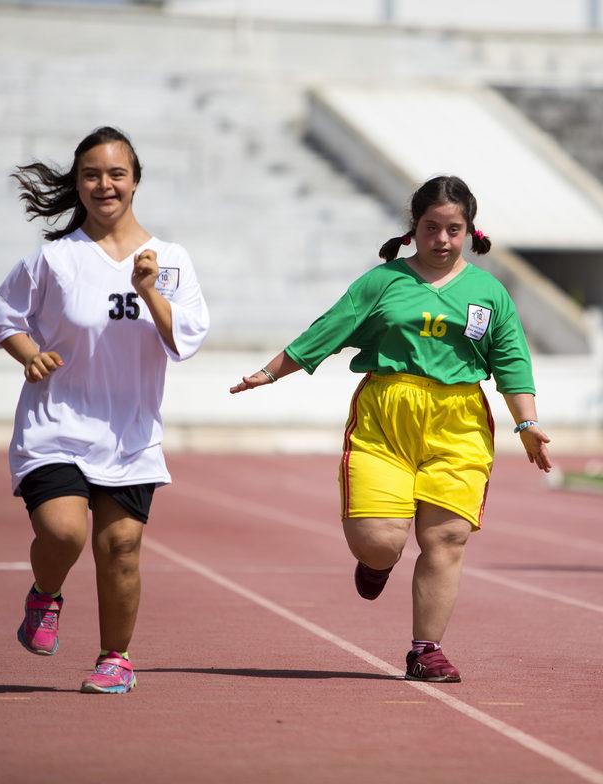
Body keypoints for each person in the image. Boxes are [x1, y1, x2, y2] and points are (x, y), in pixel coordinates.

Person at [230, 175, 551, 683]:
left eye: (453, 229)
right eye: (431, 228)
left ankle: (426, 650)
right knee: (380, 541)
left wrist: (527, 422)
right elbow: (329, 329)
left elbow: (511, 359)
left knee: (446, 537)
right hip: (386, 415)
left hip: (459, 421)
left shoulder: (490, 293)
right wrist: (270, 372)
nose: (441, 240)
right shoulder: (382, 282)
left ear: (469, 231)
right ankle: (377, 562)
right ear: (413, 228)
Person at [0, 126, 209, 693]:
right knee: (63, 534)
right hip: (56, 424)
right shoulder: (53, 259)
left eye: (116, 174)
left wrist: (150, 289)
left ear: (135, 181)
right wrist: (30, 355)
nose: (104, 184)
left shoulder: (172, 260)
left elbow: (185, 342)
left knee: (122, 548)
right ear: (78, 183)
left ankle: (116, 658)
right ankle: (46, 595)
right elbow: (4, 317)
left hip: (129, 432)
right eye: (91, 174)